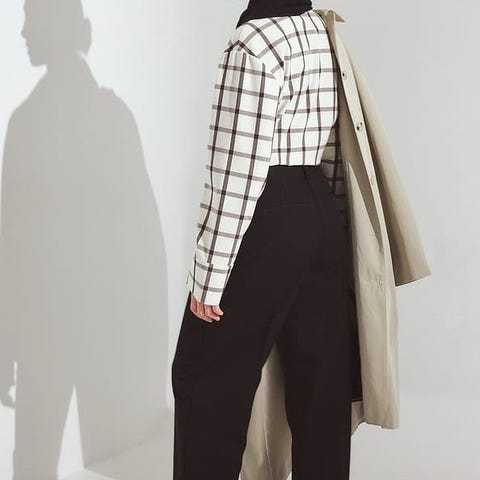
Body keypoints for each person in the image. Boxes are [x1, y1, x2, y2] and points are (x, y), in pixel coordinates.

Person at [172, 1, 352, 478]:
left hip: (268, 216)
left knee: (204, 379)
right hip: (319, 206)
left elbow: (237, 171)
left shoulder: (252, 43)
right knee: (322, 392)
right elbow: (334, 140)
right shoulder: (316, 27)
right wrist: (331, 224)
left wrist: (209, 276)